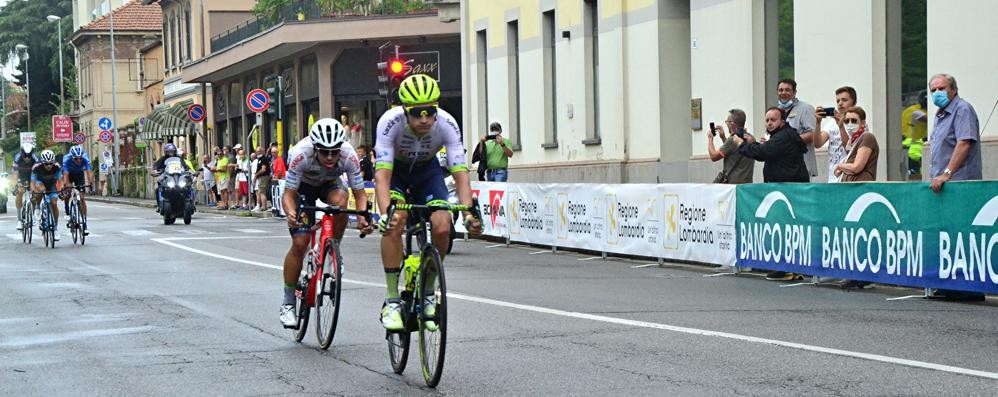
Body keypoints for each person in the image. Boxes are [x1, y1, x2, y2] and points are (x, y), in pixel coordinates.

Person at [374, 74, 482, 331]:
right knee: (396, 220)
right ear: (405, 111)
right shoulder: (390, 123)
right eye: (417, 113)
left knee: (443, 224)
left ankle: (429, 291)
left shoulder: (447, 124)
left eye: (429, 112)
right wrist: (384, 212)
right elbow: (382, 176)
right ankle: (391, 301)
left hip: (427, 172)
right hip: (397, 173)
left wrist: (467, 211)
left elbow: (460, 172)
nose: (424, 119)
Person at [278, 118, 373, 328]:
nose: (330, 157)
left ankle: (332, 248)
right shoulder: (301, 154)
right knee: (300, 242)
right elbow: (288, 195)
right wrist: (292, 213)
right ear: (315, 148)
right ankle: (288, 302)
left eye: (334, 151)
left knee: (341, 201)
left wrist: (363, 217)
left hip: (329, 185)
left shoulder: (349, 155)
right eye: (324, 152)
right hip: (303, 189)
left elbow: (359, 194)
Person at [926, 73, 984, 301]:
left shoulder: (962, 109)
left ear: (953, 89)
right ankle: (951, 283)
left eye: (941, 88)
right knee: (948, 233)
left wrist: (947, 173)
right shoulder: (941, 115)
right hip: (943, 185)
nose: (936, 93)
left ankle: (969, 287)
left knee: (963, 233)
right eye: (932, 90)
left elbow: (964, 142)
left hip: (960, 182)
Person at [736, 107, 808, 281]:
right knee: (784, 229)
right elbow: (766, 150)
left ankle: (790, 268)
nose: (769, 123)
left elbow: (762, 153)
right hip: (785, 187)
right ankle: (786, 267)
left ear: (782, 121)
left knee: (787, 229)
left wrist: (742, 145)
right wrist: (752, 143)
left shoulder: (783, 137)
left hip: (788, 189)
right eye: (767, 120)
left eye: (773, 120)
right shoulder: (780, 136)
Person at [776, 79, 818, 180]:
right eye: (780, 90)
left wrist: (787, 141)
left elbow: (812, 134)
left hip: (801, 168)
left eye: (787, 90)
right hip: (781, 168)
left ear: (794, 92)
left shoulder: (806, 109)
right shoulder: (777, 111)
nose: (783, 93)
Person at [813, 86, 856, 183]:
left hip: (848, 177)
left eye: (844, 100)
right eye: (838, 101)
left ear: (853, 103)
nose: (840, 103)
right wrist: (817, 123)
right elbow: (818, 143)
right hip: (832, 176)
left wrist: (841, 126)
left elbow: (850, 150)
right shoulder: (832, 123)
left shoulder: (857, 123)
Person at [706, 109, 754, 184]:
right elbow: (734, 152)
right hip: (747, 184)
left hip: (733, 186)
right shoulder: (751, 138)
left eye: (727, 122)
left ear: (732, 124)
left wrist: (710, 139)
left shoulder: (732, 140)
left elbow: (714, 156)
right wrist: (723, 137)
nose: (726, 124)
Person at [60, 145, 94, 236]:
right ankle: (67, 212)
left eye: (80, 158)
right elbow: (66, 175)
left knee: (82, 198)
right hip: (69, 174)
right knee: (67, 193)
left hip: (79, 174)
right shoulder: (66, 159)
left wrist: (91, 185)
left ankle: (84, 223)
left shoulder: (85, 158)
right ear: (72, 157)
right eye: (76, 159)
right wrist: (67, 186)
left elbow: (89, 172)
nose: (78, 161)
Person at [31, 150, 63, 241]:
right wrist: (33, 191)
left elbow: (61, 181)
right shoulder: (36, 166)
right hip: (40, 182)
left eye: (50, 163)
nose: (49, 166)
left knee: (54, 203)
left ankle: (55, 228)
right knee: (42, 190)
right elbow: (32, 182)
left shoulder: (57, 166)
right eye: (46, 164)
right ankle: (37, 207)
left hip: (52, 184)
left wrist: (60, 190)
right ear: (42, 162)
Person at [152, 143, 193, 212]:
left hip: (178, 177)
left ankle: (192, 203)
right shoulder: (162, 159)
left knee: (189, 186)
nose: (171, 153)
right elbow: (156, 166)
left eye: (172, 151)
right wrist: (154, 171)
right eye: (169, 151)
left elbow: (185, 166)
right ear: (166, 152)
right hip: (167, 177)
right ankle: (159, 205)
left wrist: (190, 171)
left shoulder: (179, 158)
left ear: (175, 151)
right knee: (158, 188)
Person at [901, 90, 929, 178]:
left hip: (915, 145)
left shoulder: (915, 109)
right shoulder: (914, 110)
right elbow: (922, 117)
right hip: (912, 146)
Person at [12, 143, 39, 231]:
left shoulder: (35, 158)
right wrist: (15, 186)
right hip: (21, 177)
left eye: (29, 156)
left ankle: (34, 214)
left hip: (32, 176)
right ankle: (19, 220)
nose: (27, 158)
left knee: (34, 195)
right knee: (19, 192)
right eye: (25, 156)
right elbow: (15, 174)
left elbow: (39, 174)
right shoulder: (17, 158)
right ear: (22, 153)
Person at [253, 146, 271, 211]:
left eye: (258, 151)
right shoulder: (260, 159)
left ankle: (264, 206)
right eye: (256, 151)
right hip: (261, 177)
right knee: (260, 191)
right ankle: (263, 206)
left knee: (262, 192)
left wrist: (256, 175)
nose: (257, 153)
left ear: (261, 152)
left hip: (264, 176)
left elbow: (263, 169)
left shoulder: (263, 159)